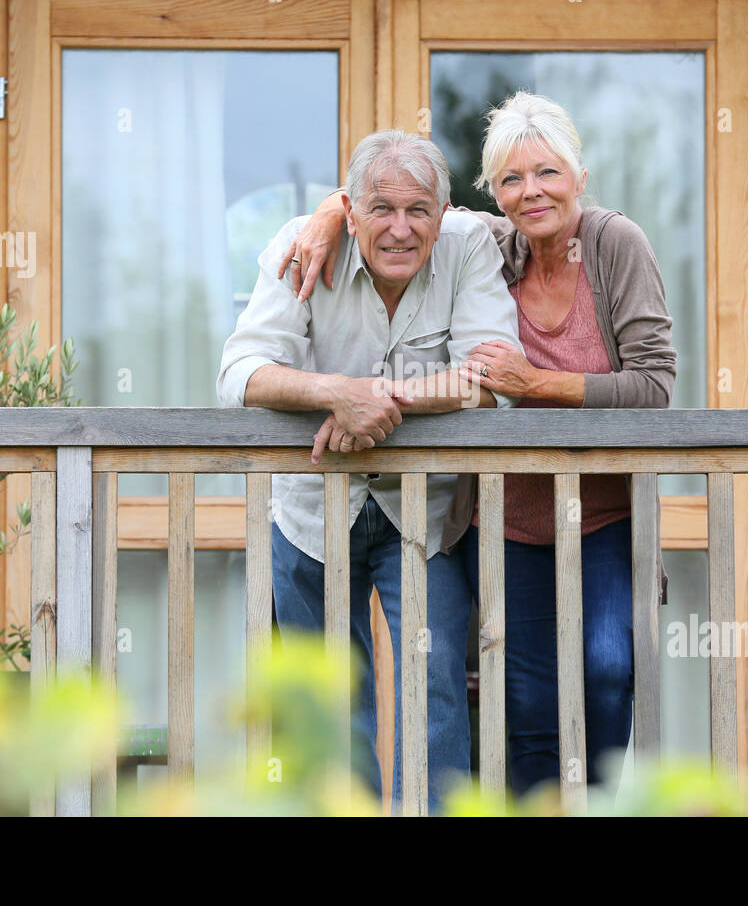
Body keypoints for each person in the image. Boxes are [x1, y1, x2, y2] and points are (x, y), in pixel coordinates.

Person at [278, 92, 677, 796]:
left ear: (579, 176)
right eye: (512, 180)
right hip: (507, 520)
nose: (532, 193)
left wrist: (537, 382)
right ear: (494, 193)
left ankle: (600, 810)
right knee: (523, 701)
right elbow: (402, 211)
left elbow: (653, 386)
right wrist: (330, 215)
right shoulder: (492, 244)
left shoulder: (616, 246)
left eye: (548, 173)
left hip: (604, 514)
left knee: (609, 672)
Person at [217, 128, 523, 810]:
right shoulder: (302, 243)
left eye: (418, 211)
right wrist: (334, 392)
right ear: (349, 211)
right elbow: (238, 373)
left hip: (426, 511)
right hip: (308, 510)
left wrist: (384, 403)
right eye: (381, 210)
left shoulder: (468, 244)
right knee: (330, 697)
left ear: (443, 215)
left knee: (435, 681)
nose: (400, 228)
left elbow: (496, 377)